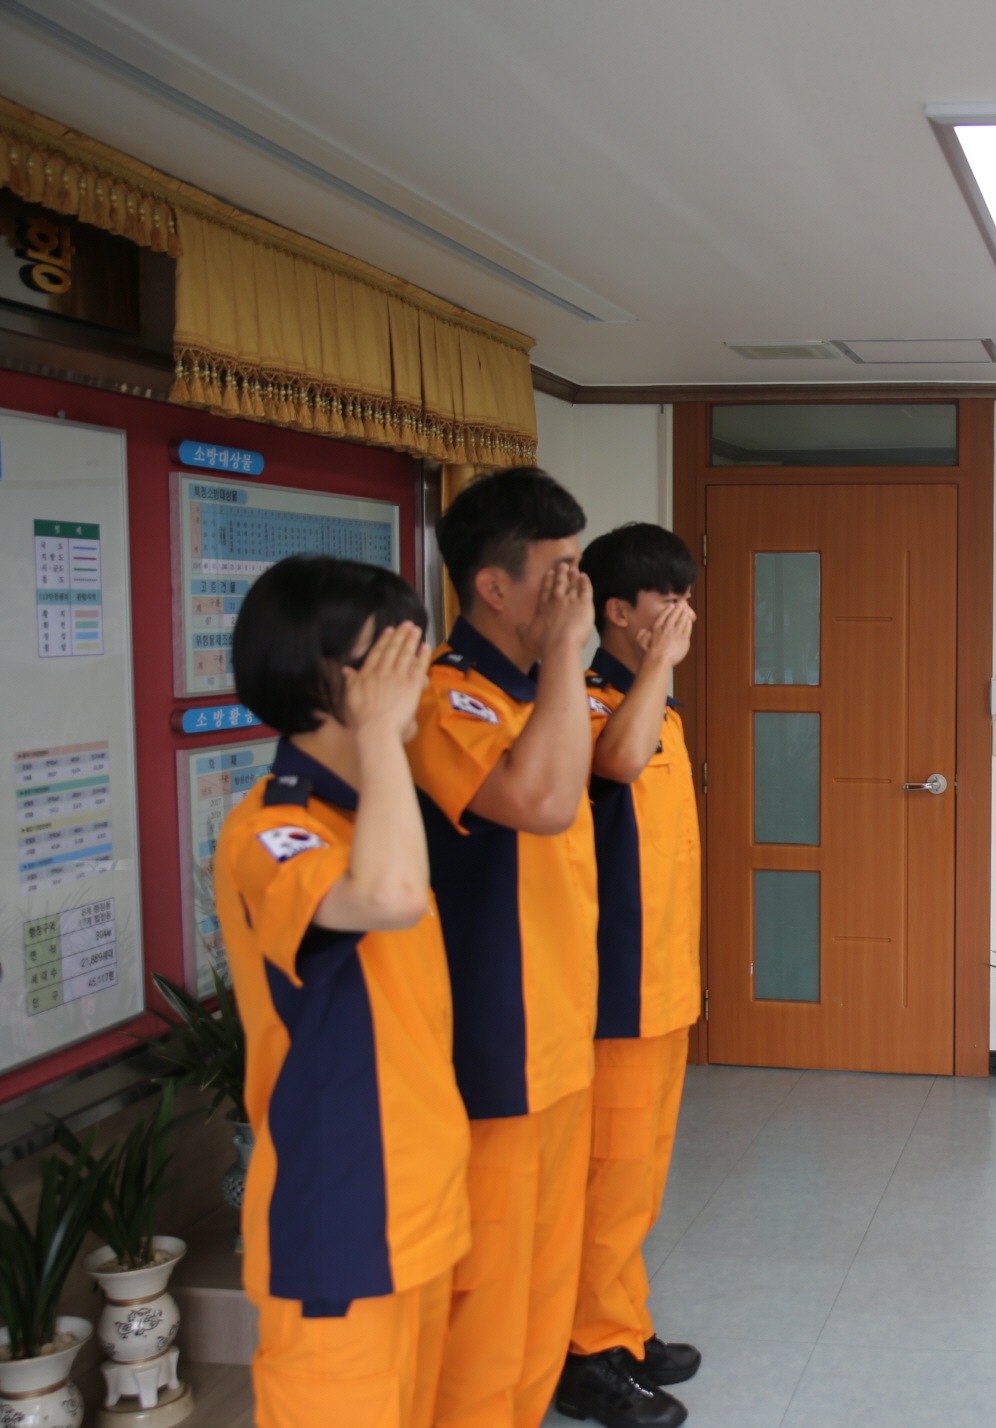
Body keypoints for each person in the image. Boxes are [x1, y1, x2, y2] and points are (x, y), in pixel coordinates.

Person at [215, 555, 470, 1428]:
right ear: (324, 679)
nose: (420, 679)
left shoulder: (370, 818)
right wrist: (380, 738)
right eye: (394, 658)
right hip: (340, 1223)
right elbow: (387, 899)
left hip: (418, 1207)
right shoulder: (272, 828)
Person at [406, 468, 600, 1428]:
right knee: (487, 1300)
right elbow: (540, 802)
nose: (579, 594)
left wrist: (559, 664)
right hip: (495, 1046)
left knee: (543, 1291)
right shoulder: (447, 698)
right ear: (492, 586)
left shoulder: (535, 692)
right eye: (560, 574)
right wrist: (567, 655)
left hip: (561, 1035)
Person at [555, 524, 702, 1428]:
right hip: (615, 990)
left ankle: (624, 1324)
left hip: (666, 983)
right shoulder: (586, 700)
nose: (684, 617)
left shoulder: (660, 706)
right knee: (610, 1178)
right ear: (617, 611)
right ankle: (586, 1354)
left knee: (639, 1178)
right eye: (667, 601)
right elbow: (612, 765)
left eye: (688, 599)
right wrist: (657, 671)